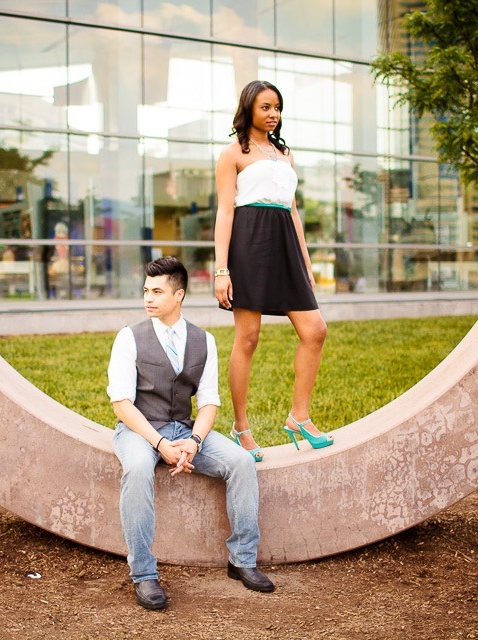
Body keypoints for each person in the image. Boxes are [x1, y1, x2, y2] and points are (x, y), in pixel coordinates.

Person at [107, 256, 275, 610]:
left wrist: (194, 442)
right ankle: (143, 573)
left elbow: (210, 402)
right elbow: (121, 403)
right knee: (137, 470)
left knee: (241, 462)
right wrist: (160, 444)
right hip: (139, 430)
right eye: (145, 291)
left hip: (185, 429)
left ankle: (242, 559)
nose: (147, 299)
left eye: (156, 291)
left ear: (178, 295)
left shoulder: (204, 340)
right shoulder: (129, 337)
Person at [213, 80, 334, 460]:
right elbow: (226, 211)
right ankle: (241, 429)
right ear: (249, 108)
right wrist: (221, 269)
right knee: (247, 339)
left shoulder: (285, 154)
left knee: (315, 330)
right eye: (266, 107)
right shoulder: (232, 154)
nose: (273, 114)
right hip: (250, 247)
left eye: (277, 107)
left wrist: (306, 261)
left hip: (285, 247)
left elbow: (292, 210)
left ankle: (299, 417)